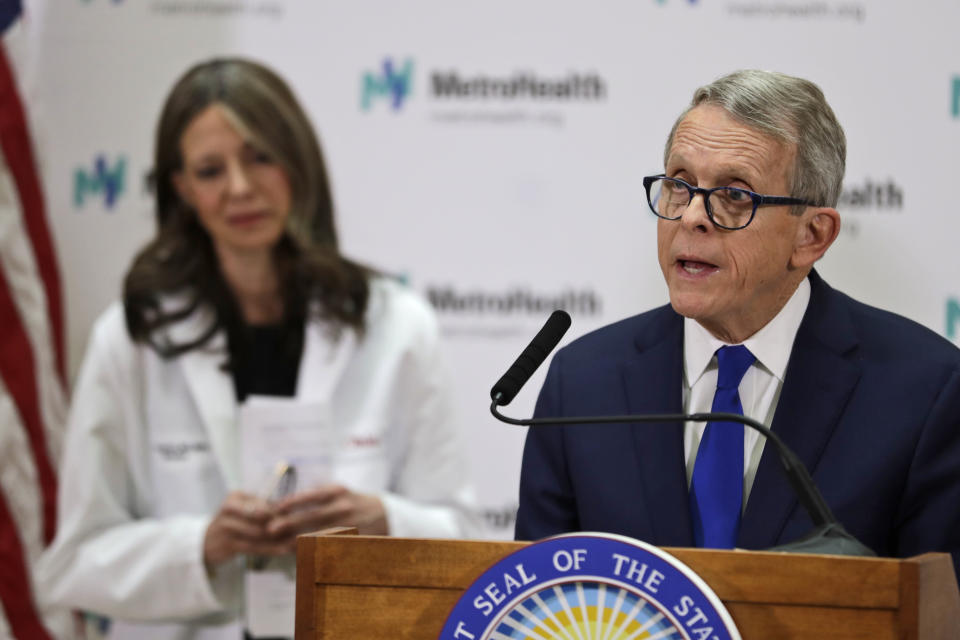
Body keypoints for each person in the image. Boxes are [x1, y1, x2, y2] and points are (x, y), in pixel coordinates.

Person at [37, 58, 476, 639]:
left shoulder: (395, 326)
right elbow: (74, 564)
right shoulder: (132, 340)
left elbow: (465, 538)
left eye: (260, 157)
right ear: (183, 188)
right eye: (211, 170)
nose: (240, 188)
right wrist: (203, 545)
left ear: (298, 161)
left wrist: (384, 521)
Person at [515, 70, 960, 580]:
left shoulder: (926, 393)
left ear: (812, 236)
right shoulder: (583, 383)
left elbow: (941, 616)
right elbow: (539, 606)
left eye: (735, 196)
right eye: (678, 186)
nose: (691, 218)